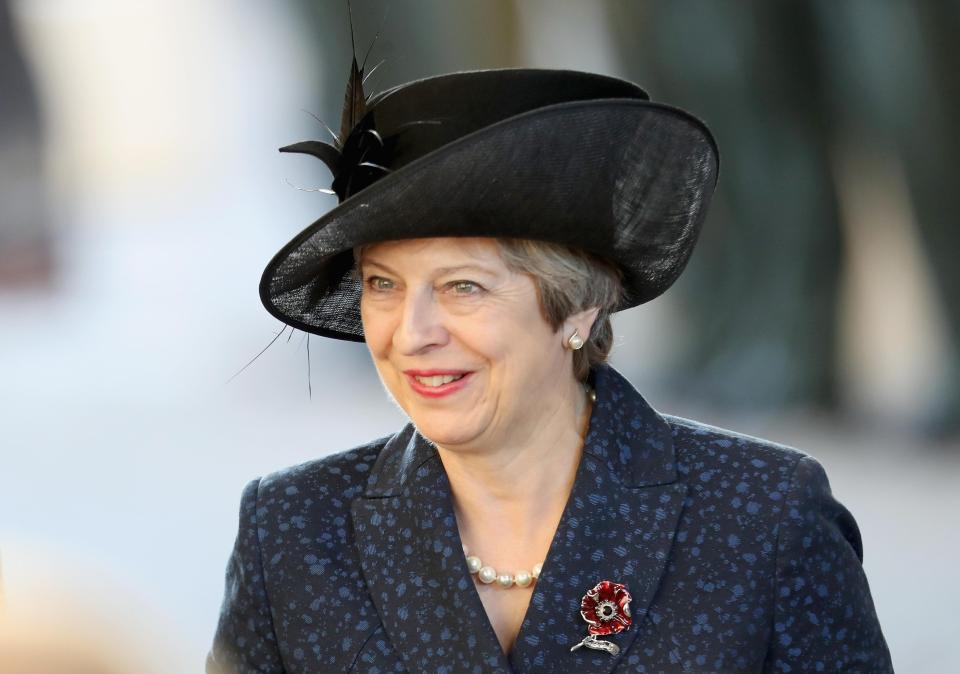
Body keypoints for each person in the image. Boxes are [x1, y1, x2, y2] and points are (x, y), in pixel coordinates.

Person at [208, 67, 893, 673]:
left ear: (579, 308)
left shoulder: (764, 519)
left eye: (462, 287)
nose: (410, 335)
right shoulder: (293, 530)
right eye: (384, 285)